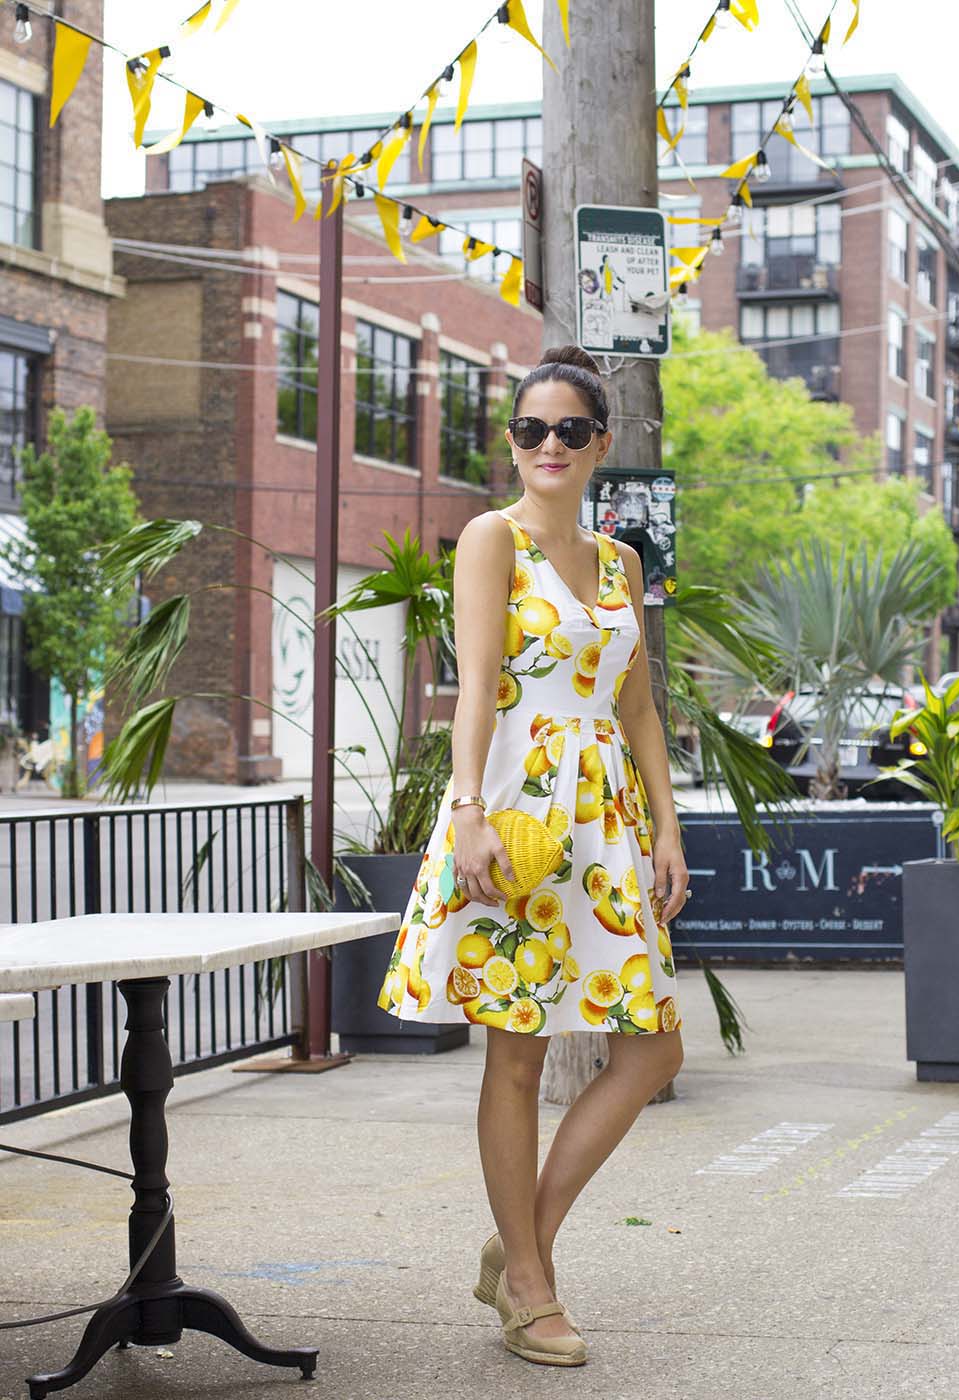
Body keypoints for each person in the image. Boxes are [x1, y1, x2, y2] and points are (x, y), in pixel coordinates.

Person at [376, 344, 689, 1367]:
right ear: (512, 443)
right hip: (515, 807)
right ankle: (529, 1279)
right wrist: (465, 807)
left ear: (601, 442)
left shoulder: (620, 561)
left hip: (602, 819)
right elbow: (474, 685)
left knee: (652, 1046)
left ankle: (521, 1246)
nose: (546, 445)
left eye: (567, 429)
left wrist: (666, 825)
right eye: (528, 429)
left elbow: (636, 701)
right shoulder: (488, 537)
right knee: (515, 1048)